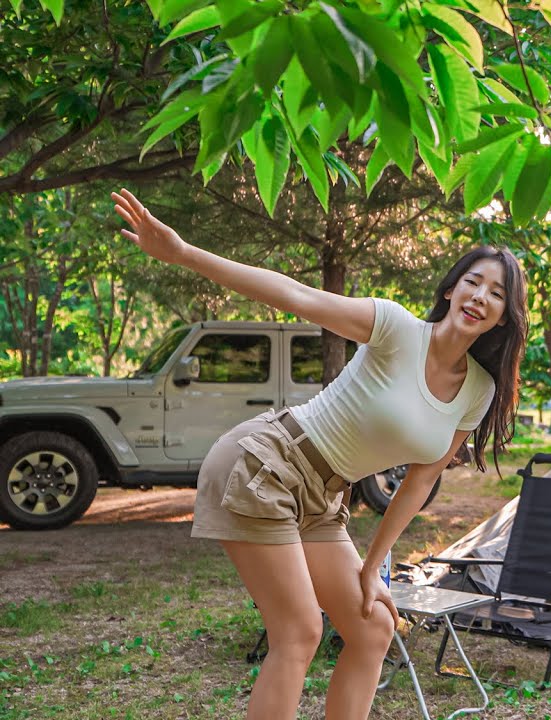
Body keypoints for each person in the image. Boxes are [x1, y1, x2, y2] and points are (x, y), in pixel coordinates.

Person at [111, 189, 528, 719]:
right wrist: (185, 253)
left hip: (324, 496)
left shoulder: (478, 392)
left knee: (374, 626)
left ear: (503, 316)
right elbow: (296, 296)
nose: (480, 296)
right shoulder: (396, 329)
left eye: (496, 293)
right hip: (268, 462)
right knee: (300, 630)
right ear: (450, 290)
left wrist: (374, 565)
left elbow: (422, 480)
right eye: (473, 281)